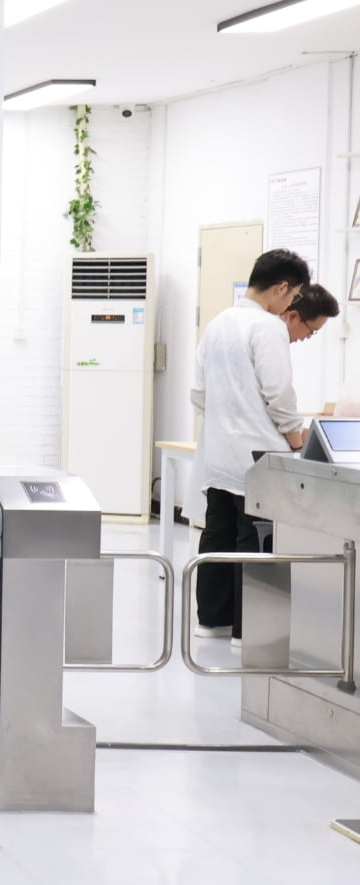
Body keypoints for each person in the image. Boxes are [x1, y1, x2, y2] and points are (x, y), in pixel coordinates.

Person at [189, 249, 312, 642]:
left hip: (218, 456)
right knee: (254, 539)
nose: (290, 304)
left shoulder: (217, 323)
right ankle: (250, 632)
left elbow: (198, 393)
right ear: (281, 287)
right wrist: (295, 437)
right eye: (293, 296)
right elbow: (279, 393)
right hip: (258, 456)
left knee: (217, 535)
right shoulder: (268, 327)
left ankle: (212, 621)